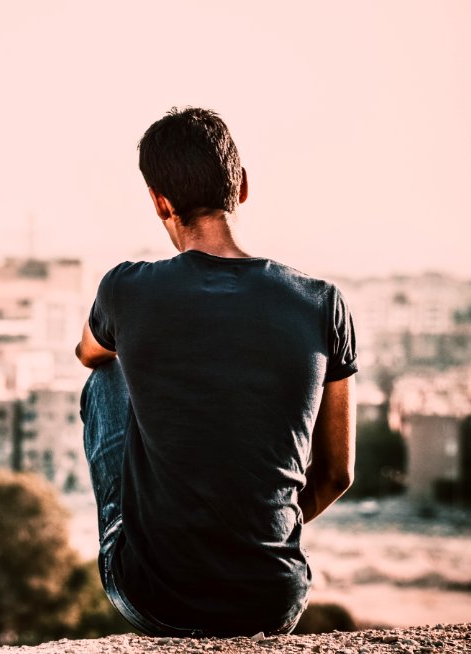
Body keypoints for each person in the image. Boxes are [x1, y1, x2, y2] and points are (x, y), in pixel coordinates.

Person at [77, 107, 358, 637]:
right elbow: (336, 475)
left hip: (152, 592)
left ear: (160, 201)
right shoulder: (323, 303)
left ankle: (140, 540)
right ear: (243, 186)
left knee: (108, 376)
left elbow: (88, 354)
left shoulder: (127, 288)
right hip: (273, 598)